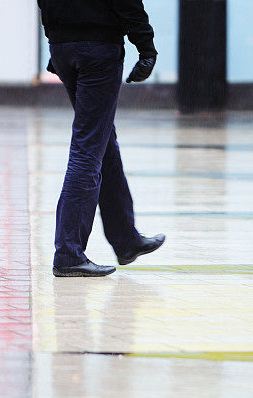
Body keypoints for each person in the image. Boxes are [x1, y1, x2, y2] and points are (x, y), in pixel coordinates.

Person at [38, 0, 166, 277]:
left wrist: (57, 38)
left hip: (64, 47)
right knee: (88, 148)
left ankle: (125, 239)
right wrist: (146, 47)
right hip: (97, 49)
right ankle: (68, 253)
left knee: (102, 139)